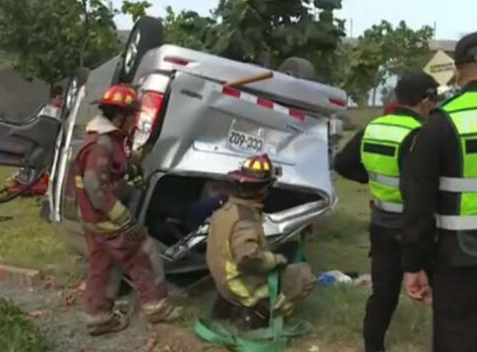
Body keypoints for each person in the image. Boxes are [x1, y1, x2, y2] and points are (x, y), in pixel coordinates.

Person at [334, 72, 439, 352]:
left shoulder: (374, 128)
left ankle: (373, 347)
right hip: (415, 225)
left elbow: (343, 163)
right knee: (444, 291)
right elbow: (419, 187)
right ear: (426, 100)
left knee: (383, 295)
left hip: (381, 224)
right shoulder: (421, 133)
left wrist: (371, 178)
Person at [72, 84, 180, 336]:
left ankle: (98, 317)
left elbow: (111, 172)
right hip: (108, 221)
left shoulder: (104, 138)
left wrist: (131, 166)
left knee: (103, 266)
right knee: (143, 253)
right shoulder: (102, 144)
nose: (134, 120)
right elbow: (95, 188)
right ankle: (156, 307)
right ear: (120, 115)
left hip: (93, 220)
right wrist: (126, 221)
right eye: (132, 114)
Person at [401, 31, 477, 352]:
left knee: (457, 334)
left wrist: (413, 262)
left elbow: (419, 200)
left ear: (458, 70)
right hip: (456, 254)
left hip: (457, 255)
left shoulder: (441, 123)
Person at [206, 154, 316, 328]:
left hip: (224, 277)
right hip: (237, 283)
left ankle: (227, 306)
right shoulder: (245, 220)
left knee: (289, 248)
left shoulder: (228, 209)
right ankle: (259, 314)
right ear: (263, 189)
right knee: (305, 276)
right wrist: (275, 260)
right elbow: (247, 259)